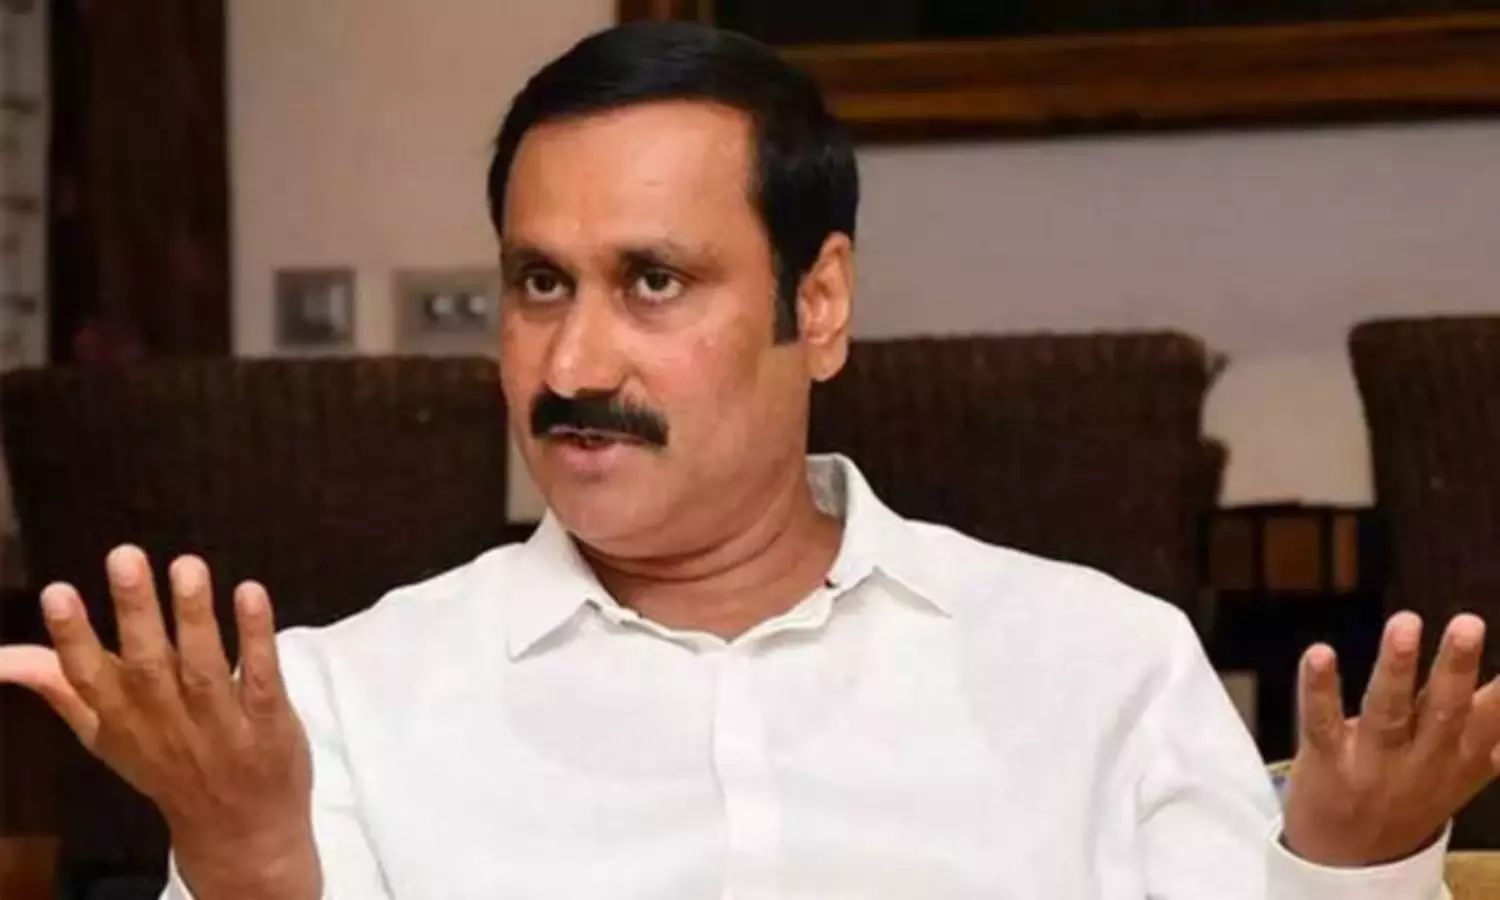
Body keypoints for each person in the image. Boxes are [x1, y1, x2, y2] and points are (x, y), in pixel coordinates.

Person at [0, 21, 1493, 900]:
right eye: (538, 284)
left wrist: (1357, 859)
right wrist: (249, 860)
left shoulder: (1101, 667)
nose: (571, 366)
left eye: (653, 282)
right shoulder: (337, 706)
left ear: (817, 303)